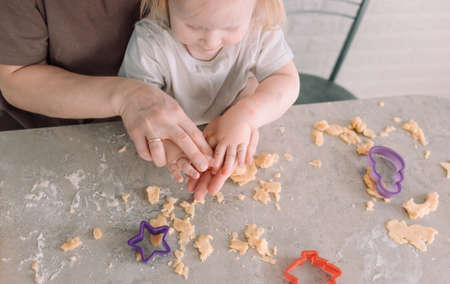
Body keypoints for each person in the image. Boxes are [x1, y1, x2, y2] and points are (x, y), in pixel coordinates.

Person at [0, 1, 212, 173]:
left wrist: (246, 104)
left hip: (163, 133)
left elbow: (233, 26)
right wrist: (128, 96)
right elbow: (16, 78)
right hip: (44, 137)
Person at [119, 0, 300, 200]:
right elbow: (141, 108)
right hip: (172, 137)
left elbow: (286, 80)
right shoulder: (151, 41)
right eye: (193, 26)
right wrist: (169, 145)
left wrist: (246, 117)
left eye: (231, 27)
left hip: (232, 130)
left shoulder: (259, 30)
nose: (211, 42)